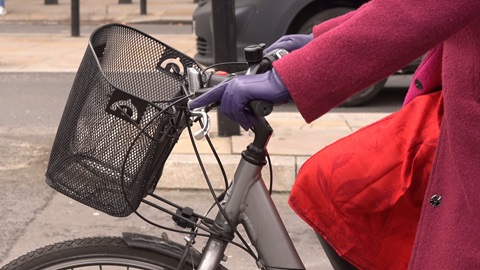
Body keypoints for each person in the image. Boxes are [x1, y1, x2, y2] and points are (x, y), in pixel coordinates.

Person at [189, 0, 480, 269]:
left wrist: (293, 75)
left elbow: (422, 8)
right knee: (328, 182)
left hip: (463, 127)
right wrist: (319, 39)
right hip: (450, 114)